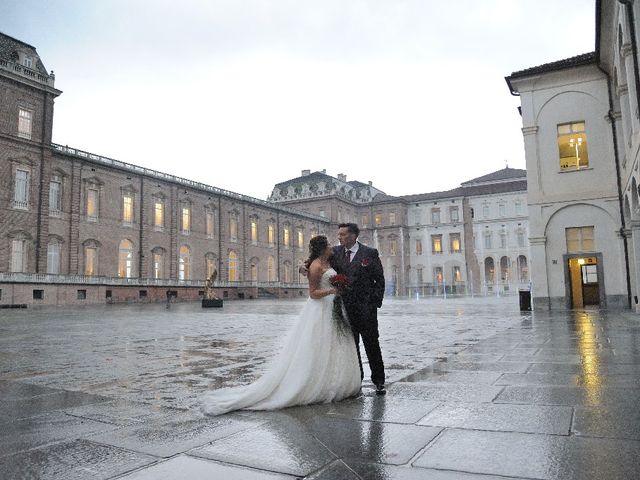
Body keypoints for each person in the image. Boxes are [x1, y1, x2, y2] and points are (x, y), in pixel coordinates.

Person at [201, 235, 361, 416]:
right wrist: (333, 290)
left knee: (334, 345)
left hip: (332, 307)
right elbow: (313, 293)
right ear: (322, 248)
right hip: (321, 309)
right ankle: (315, 382)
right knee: (317, 346)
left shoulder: (325, 261)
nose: (333, 246)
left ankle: (335, 379)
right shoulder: (316, 266)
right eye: (329, 244)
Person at [332, 223, 386, 394]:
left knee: (371, 343)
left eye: (342, 234)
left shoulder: (369, 253)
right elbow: (317, 261)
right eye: (339, 234)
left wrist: (375, 302)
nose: (339, 237)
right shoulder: (335, 252)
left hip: (366, 309)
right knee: (351, 345)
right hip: (345, 308)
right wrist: (303, 267)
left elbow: (380, 279)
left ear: (353, 235)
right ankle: (357, 379)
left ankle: (378, 380)